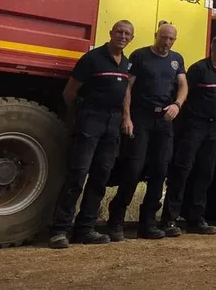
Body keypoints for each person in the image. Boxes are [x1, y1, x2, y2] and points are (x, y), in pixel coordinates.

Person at [49, 20, 134, 249]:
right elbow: (69, 93)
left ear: (131, 38)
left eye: (127, 34)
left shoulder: (126, 63)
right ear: (111, 33)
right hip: (91, 119)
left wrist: (126, 117)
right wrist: (81, 116)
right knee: (78, 174)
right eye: (119, 32)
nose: (122, 36)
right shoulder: (92, 58)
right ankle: (59, 230)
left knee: (100, 176)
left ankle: (85, 229)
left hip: (113, 123)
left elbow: (126, 91)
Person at [107, 22, 188, 240]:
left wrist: (177, 105)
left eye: (171, 39)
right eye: (164, 37)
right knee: (133, 169)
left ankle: (148, 223)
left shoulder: (177, 59)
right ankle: (116, 221)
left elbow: (183, 85)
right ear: (156, 35)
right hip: (141, 119)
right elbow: (128, 87)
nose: (167, 42)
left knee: (160, 171)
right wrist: (127, 117)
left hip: (164, 121)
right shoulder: (140, 56)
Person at [160, 34, 216, 236]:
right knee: (182, 171)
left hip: (213, 130)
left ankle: (196, 218)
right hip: (194, 128)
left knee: (205, 173)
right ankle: (169, 219)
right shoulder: (198, 69)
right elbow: (183, 94)